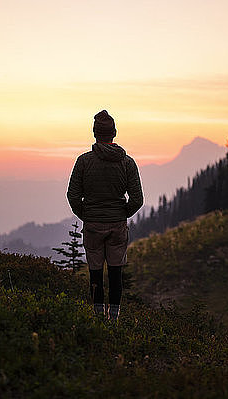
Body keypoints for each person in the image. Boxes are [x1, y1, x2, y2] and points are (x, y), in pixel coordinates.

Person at [67, 110, 144, 321]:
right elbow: (137, 199)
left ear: (94, 133)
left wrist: (87, 214)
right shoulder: (127, 163)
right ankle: (114, 320)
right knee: (116, 273)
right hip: (117, 225)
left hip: (92, 225)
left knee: (95, 273)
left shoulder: (83, 162)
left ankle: (98, 319)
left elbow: (73, 196)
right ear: (114, 133)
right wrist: (121, 214)